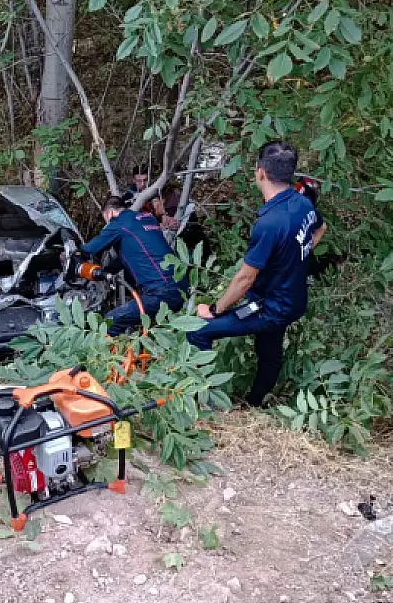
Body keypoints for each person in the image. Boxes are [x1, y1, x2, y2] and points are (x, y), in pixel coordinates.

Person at [187, 141, 326, 408]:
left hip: (270, 306)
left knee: (200, 332)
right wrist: (296, 257)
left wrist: (215, 309)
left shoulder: (270, 223)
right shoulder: (302, 203)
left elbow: (244, 279)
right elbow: (320, 228)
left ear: (260, 172)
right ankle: (255, 404)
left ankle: (207, 404)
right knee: (269, 350)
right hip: (292, 299)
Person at [80, 196, 188, 336]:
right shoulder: (146, 218)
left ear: (110, 213)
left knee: (110, 322)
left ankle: (113, 356)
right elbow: (130, 255)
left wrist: (72, 256)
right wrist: (105, 272)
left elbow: (89, 249)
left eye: (105, 219)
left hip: (162, 292)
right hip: (181, 286)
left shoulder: (119, 224)